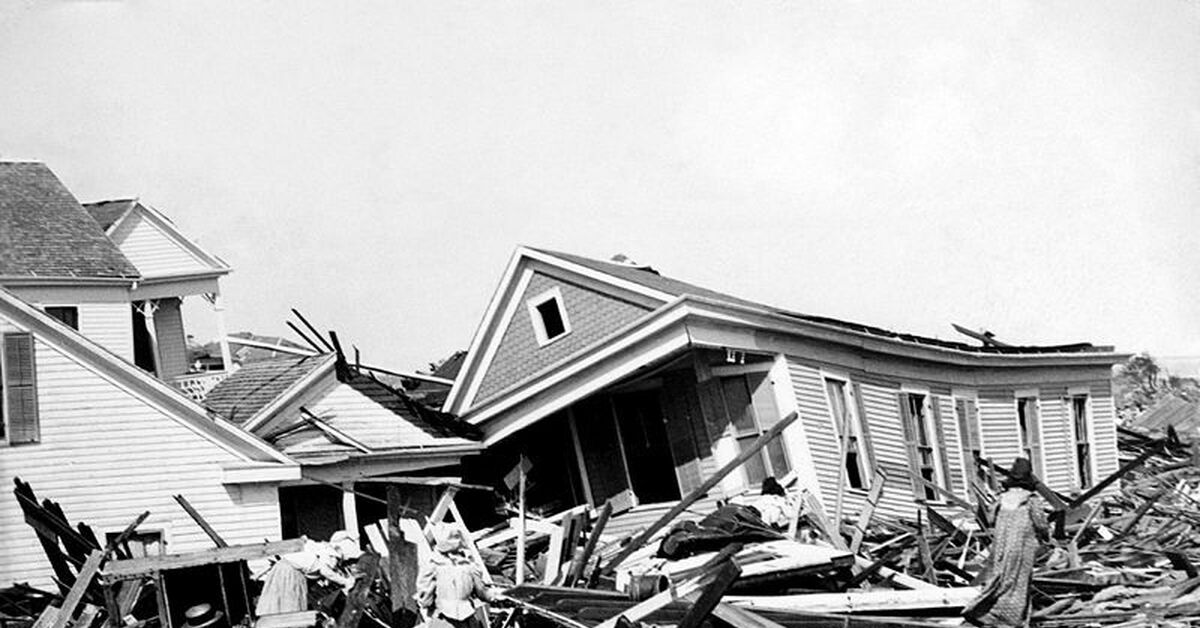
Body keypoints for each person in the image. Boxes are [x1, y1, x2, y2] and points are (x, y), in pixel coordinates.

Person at [964, 457, 1049, 628]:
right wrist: (1046, 536)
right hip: (1022, 548)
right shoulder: (1031, 500)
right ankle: (1010, 618)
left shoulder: (1001, 500)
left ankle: (985, 611)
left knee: (1000, 577)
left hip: (1001, 547)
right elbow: (1041, 524)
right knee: (1018, 581)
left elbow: (990, 519)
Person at [255, 530, 363, 615]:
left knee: (279, 605)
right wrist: (345, 581)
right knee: (289, 607)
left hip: (282, 570)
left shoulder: (318, 548)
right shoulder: (327, 554)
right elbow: (325, 571)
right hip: (291, 575)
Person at [415, 525, 498, 628]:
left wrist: (426, 606)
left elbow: (425, 597)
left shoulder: (433, 564)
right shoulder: (469, 564)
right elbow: (482, 592)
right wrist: (497, 595)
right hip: (467, 617)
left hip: (443, 618)